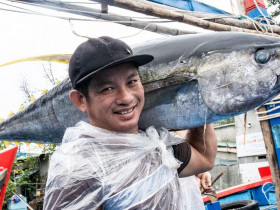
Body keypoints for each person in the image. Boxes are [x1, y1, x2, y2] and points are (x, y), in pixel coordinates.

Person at [43, 36, 217, 210]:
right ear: (80, 99)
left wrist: (197, 102)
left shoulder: (155, 143)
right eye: (108, 89)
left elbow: (204, 157)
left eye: (132, 82)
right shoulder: (77, 169)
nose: (126, 98)